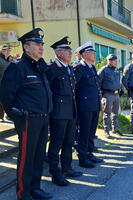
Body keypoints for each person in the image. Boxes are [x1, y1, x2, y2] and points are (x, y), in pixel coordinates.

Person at [0, 28, 53, 200]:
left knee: (38, 157)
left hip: (43, 119)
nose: (41, 48)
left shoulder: (39, 67)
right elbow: (6, 95)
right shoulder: (17, 67)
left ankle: (35, 188)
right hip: (28, 120)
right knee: (26, 158)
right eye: (37, 44)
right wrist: (16, 115)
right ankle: (23, 193)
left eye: (41, 45)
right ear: (26, 47)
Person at [46, 36, 82, 186]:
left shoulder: (69, 68)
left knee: (68, 142)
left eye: (71, 50)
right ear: (58, 52)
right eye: (67, 50)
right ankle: (55, 173)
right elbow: (48, 92)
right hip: (58, 113)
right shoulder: (52, 69)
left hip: (71, 111)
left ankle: (67, 168)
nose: (70, 53)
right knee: (56, 144)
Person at [74, 41, 102, 169]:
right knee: (84, 132)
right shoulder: (79, 68)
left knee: (91, 132)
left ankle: (90, 153)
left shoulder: (92, 68)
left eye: (95, 52)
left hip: (94, 105)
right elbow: (75, 88)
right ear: (84, 54)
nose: (95, 54)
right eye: (92, 52)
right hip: (84, 106)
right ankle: (82, 157)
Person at [98, 54, 123, 138]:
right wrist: (101, 94)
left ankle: (115, 129)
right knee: (107, 113)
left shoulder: (116, 70)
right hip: (107, 94)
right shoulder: (104, 70)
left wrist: (120, 89)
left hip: (116, 94)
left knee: (115, 113)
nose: (116, 62)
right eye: (115, 61)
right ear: (109, 61)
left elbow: (118, 81)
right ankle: (106, 131)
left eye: (117, 61)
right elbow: (98, 82)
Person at [0, 44, 11, 122]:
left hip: (7, 85)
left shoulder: (8, 60)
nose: (8, 51)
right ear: (1, 51)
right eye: (5, 50)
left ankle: (7, 116)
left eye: (9, 50)